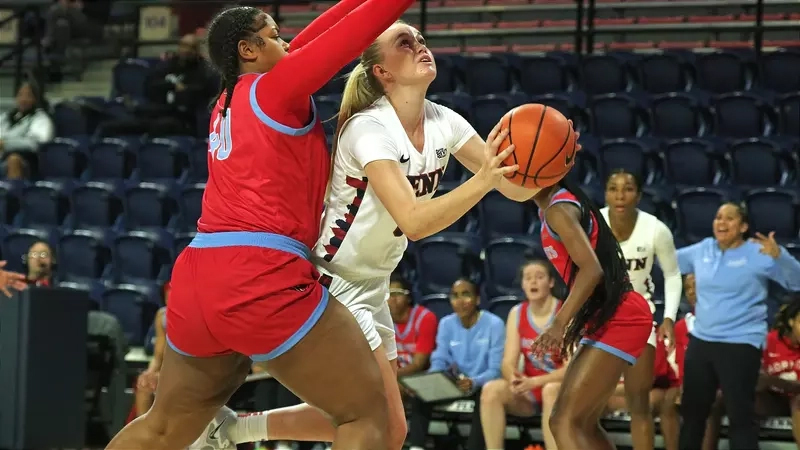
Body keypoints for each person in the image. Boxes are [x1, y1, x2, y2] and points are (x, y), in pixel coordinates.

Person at [195, 19, 556, 450]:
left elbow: (514, 188)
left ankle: (235, 429)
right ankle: (233, 428)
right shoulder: (368, 128)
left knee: (392, 430)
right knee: (372, 422)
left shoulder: (445, 121)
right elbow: (415, 222)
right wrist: (483, 178)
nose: (420, 46)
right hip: (332, 282)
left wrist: (549, 165)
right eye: (405, 43)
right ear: (382, 71)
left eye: (421, 39)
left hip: (373, 284)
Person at [105, 2, 418, 449]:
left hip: (199, 274)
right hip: (260, 273)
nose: (288, 42)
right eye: (274, 35)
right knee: (370, 418)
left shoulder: (227, 101)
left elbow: (320, 32)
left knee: (162, 427)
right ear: (248, 49)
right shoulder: (274, 90)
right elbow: (352, 34)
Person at [528, 176, 653, 450]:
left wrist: (559, 324)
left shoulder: (558, 210)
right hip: (608, 314)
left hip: (621, 315)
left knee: (563, 422)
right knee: (580, 424)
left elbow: (592, 270)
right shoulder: (554, 204)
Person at [677, 203, 800, 450]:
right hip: (702, 343)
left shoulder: (758, 253)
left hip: (740, 344)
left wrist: (781, 256)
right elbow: (667, 261)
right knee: (692, 415)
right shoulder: (702, 250)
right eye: (718, 217)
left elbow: (795, 282)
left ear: (743, 226)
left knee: (740, 417)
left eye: (729, 219)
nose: (721, 223)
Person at [600, 169, 682, 450]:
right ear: (605, 193)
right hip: (599, 319)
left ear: (639, 195)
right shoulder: (591, 223)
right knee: (584, 405)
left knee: (639, 404)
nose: (620, 195)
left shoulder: (656, 229)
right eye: (613, 188)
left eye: (628, 188)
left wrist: (669, 316)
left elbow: (672, 275)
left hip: (638, 318)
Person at [407, 278, 505, 450]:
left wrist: (474, 381)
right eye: (455, 296)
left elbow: (495, 370)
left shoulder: (494, 324)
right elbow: (439, 358)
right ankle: (416, 447)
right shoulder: (446, 323)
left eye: (466, 295)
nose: (460, 301)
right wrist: (433, 378)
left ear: (477, 299)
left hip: (481, 385)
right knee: (421, 394)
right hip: (455, 384)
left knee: (485, 396)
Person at [480, 259, 566, 450]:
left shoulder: (564, 313)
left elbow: (571, 369)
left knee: (550, 390)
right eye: (528, 278)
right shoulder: (516, 313)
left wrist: (534, 382)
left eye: (539, 277)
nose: (533, 282)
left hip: (561, 390)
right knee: (491, 390)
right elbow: (508, 362)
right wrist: (514, 379)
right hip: (529, 389)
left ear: (551, 282)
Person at [704, 297, 800, 449]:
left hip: (795, 401)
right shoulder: (769, 341)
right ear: (791, 321)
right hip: (773, 399)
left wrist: (773, 381)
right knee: (723, 399)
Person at [0, 80, 54, 179]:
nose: (23, 99)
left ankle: (14, 192)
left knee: (14, 160)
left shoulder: (41, 119)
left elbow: (35, 144)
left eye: (28, 95)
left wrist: (6, 144)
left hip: (27, 162)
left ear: (35, 99)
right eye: (20, 95)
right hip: (2, 158)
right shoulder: (6, 117)